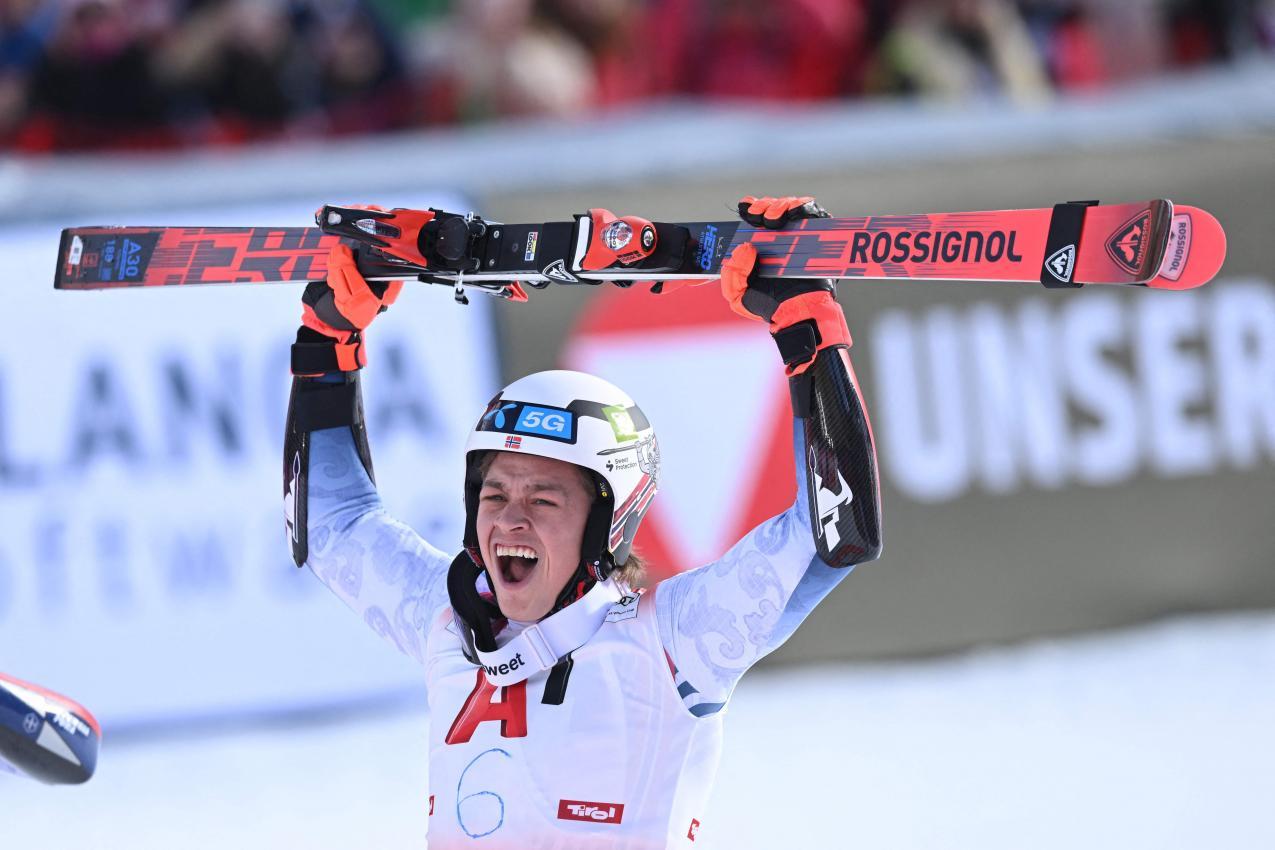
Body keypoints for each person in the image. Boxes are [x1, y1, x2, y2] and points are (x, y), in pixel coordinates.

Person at [282, 195, 883, 847]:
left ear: (608, 518)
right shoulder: (448, 617)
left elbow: (831, 534)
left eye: (544, 499)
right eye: (492, 495)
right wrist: (326, 345)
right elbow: (333, 529)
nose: (510, 520)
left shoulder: (674, 639)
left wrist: (806, 331)